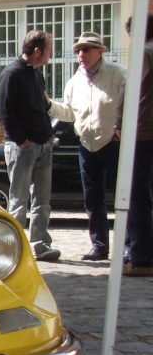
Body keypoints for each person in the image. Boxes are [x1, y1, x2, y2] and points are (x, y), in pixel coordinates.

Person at [47, 32, 126, 261]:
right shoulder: (74, 82)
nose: (81, 54)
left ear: (100, 51)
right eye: (78, 50)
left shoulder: (118, 74)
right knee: (92, 198)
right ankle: (99, 246)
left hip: (113, 144)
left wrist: (120, 133)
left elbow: (132, 105)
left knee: (122, 198)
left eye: (87, 49)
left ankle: (128, 246)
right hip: (87, 146)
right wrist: (50, 105)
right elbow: (70, 114)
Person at [0, 30, 60, 262]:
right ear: (37, 51)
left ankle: (40, 245)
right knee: (18, 201)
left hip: (43, 146)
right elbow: (5, 113)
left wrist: (49, 135)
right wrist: (22, 141)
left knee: (42, 201)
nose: (51, 54)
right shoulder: (12, 74)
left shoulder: (36, 75)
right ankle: (11, 248)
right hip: (22, 148)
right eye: (49, 50)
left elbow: (42, 107)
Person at [116, 15, 153, 277]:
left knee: (137, 197)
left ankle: (141, 257)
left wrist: (119, 123)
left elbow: (130, 93)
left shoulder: (145, 54)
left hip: (142, 134)